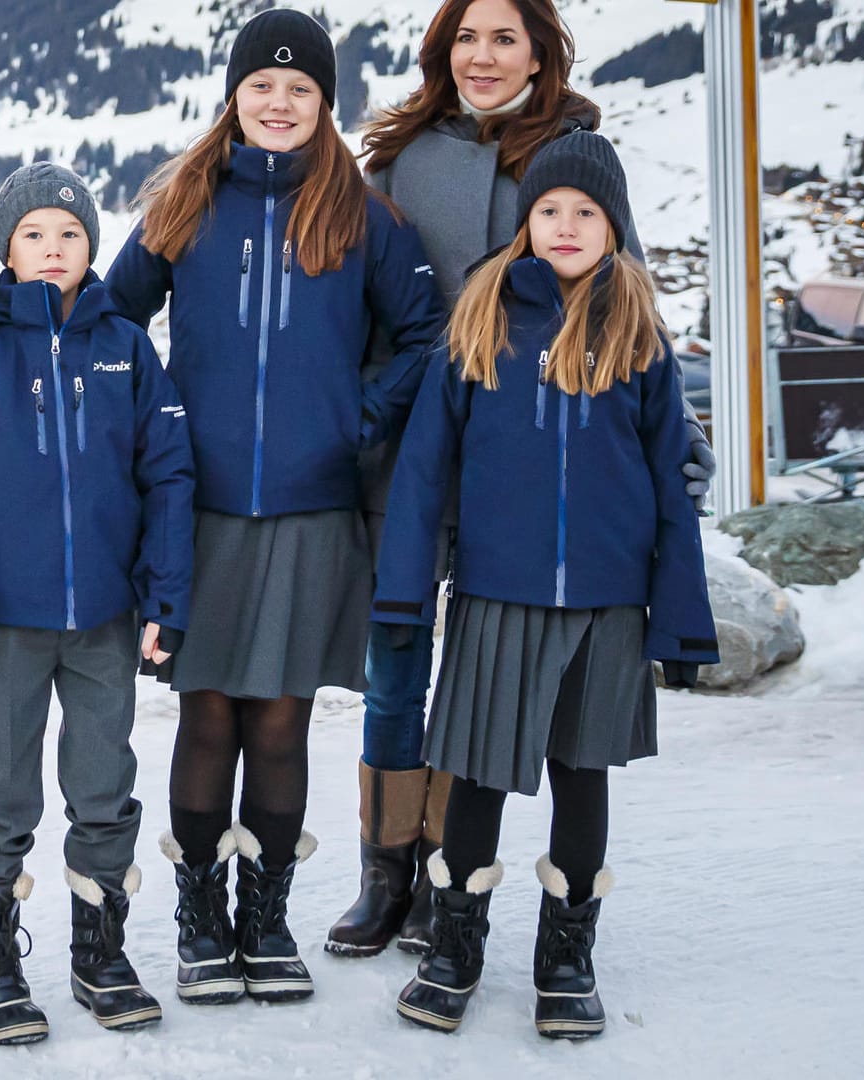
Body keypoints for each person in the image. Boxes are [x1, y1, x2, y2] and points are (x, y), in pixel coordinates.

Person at [332, 0, 716, 958]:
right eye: (467, 36)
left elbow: (628, 312)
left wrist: (675, 445)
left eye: (506, 36)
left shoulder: (573, 156)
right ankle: (390, 876)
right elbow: (366, 306)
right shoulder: (401, 161)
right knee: (398, 677)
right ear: (442, 51)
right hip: (425, 447)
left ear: (541, 52)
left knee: (492, 690)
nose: (485, 54)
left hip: (541, 474)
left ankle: (446, 878)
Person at [108, 8, 446, 1007]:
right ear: (235, 94)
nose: (280, 101)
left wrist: (357, 420)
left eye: (301, 89)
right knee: (208, 714)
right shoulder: (184, 201)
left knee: (283, 724)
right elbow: (113, 319)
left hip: (310, 509)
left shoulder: (365, 216)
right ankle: (200, 919)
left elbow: (426, 336)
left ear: (325, 104)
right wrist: (154, 417)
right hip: (201, 508)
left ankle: (267, 922)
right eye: (263, 84)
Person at [0, 162, 194, 1044]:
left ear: (91, 246)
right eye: (33, 233)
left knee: (103, 781)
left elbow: (166, 475)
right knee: (1, 785)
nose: (51, 248)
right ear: (6, 248)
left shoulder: (125, 344)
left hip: (107, 617)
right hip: (3, 621)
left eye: (69, 234)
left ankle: (98, 947)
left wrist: (164, 596)